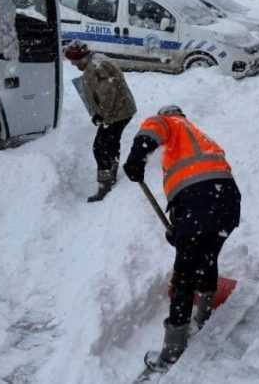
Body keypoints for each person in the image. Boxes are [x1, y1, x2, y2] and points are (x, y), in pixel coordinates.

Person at [123, 105, 242, 371]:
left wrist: (136, 158)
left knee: (184, 274)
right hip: (228, 201)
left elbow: (151, 130)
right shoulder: (199, 138)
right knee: (207, 256)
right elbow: (197, 185)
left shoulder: (167, 121)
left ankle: (172, 351)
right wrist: (180, 230)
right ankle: (205, 314)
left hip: (201, 200)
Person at [64, 41, 137, 202]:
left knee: (100, 147)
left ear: (81, 58)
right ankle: (112, 172)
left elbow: (108, 94)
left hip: (117, 113)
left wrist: (100, 114)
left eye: (73, 60)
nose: (72, 64)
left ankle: (105, 184)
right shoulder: (94, 62)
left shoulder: (98, 67)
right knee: (111, 142)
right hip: (119, 110)